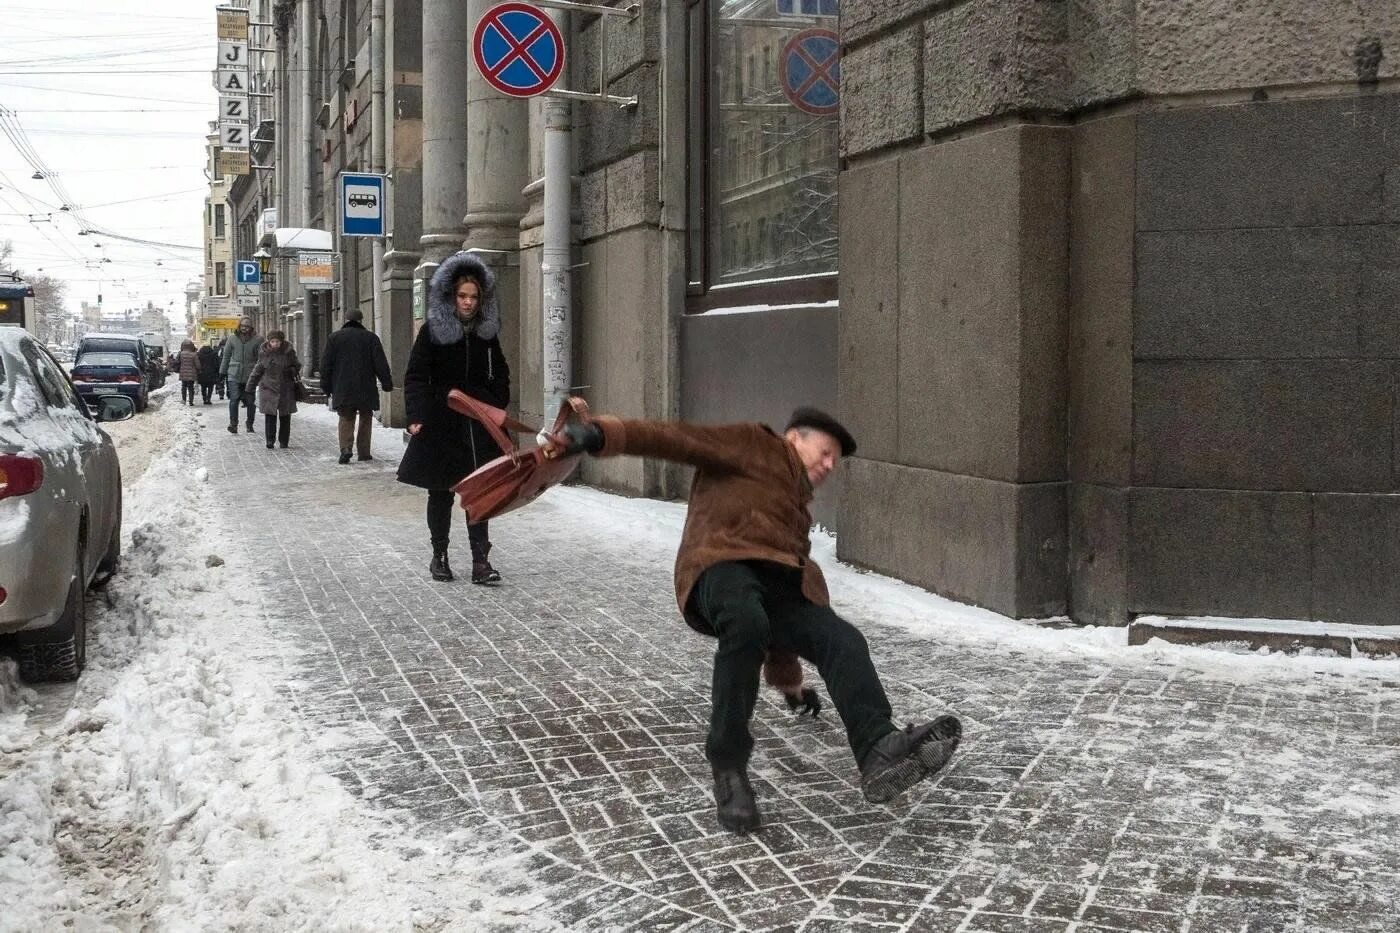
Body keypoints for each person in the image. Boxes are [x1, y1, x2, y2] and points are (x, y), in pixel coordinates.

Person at [545, 407, 962, 834]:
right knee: (745, 620)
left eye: (835, 461)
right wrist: (600, 435)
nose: (829, 465)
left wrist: (791, 685)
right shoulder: (753, 444)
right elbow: (676, 438)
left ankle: (877, 746)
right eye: (825, 452)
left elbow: (777, 606)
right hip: (721, 565)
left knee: (843, 639)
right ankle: (729, 770)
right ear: (795, 438)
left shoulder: (796, 507)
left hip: (769, 585)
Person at [396, 251, 509, 585]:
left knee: (480, 492)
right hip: (441, 421)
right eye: (463, 296)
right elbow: (415, 376)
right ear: (451, 296)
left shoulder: (488, 335)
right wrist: (417, 415)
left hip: (478, 424)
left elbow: (501, 376)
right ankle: (439, 556)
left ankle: (480, 561)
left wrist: (494, 407)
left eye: (474, 297)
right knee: (441, 492)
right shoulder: (432, 332)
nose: (469, 302)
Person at [320, 308, 394, 465]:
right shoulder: (371, 338)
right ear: (361, 321)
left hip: (342, 386)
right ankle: (364, 452)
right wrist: (387, 383)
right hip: (365, 386)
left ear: (346, 320)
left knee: (346, 417)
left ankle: (346, 449)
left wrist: (326, 386)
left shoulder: (334, 338)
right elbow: (380, 363)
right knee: (366, 418)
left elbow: (326, 365)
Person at [245, 330, 301, 450]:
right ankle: (270, 440)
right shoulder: (265, 353)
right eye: (273, 341)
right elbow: (257, 370)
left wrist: (291, 370)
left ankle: (284, 441)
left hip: (286, 388)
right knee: (270, 416)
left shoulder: (288, 352)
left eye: (277, 341)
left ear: (282, 341)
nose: (275, 344)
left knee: (285, 416)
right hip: (268, 388)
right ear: (269, 342)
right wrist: (250, 386)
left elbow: (297, 365)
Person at [219, 318, 262, 434]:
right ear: (239, 326)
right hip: (234, 374)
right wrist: (222, 373)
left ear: (251, 327)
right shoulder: (232, 338)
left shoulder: (258, 339)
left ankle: (249, 424)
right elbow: (226, 356)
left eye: (247, 326)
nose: (244, 328)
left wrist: (260, 374)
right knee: (234, 400)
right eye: (242, 325)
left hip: (250, 375)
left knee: (250, 401)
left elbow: (261, 358)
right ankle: (233, 424)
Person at [176, 339, 199, 405]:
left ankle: (184, 400)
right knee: (191, 387)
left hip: (183, 372)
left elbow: (177, 362)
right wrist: (199, 369)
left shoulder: (181, 353)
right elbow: (198, 365)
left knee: (184, 386)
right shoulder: (194, 354)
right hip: (192, 373)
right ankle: (191, 401)